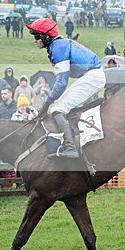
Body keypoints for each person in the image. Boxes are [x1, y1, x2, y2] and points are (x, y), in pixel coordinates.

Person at [27, 18, 104, 159]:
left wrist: (46, 103)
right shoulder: (58, 44)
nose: (34, 40)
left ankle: (71, 148)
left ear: (46, 36)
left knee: (57, 109)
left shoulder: (57, 48)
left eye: (37, 36)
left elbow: (62, 83)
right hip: (91, 75)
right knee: (60, 106)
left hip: (92, 76)